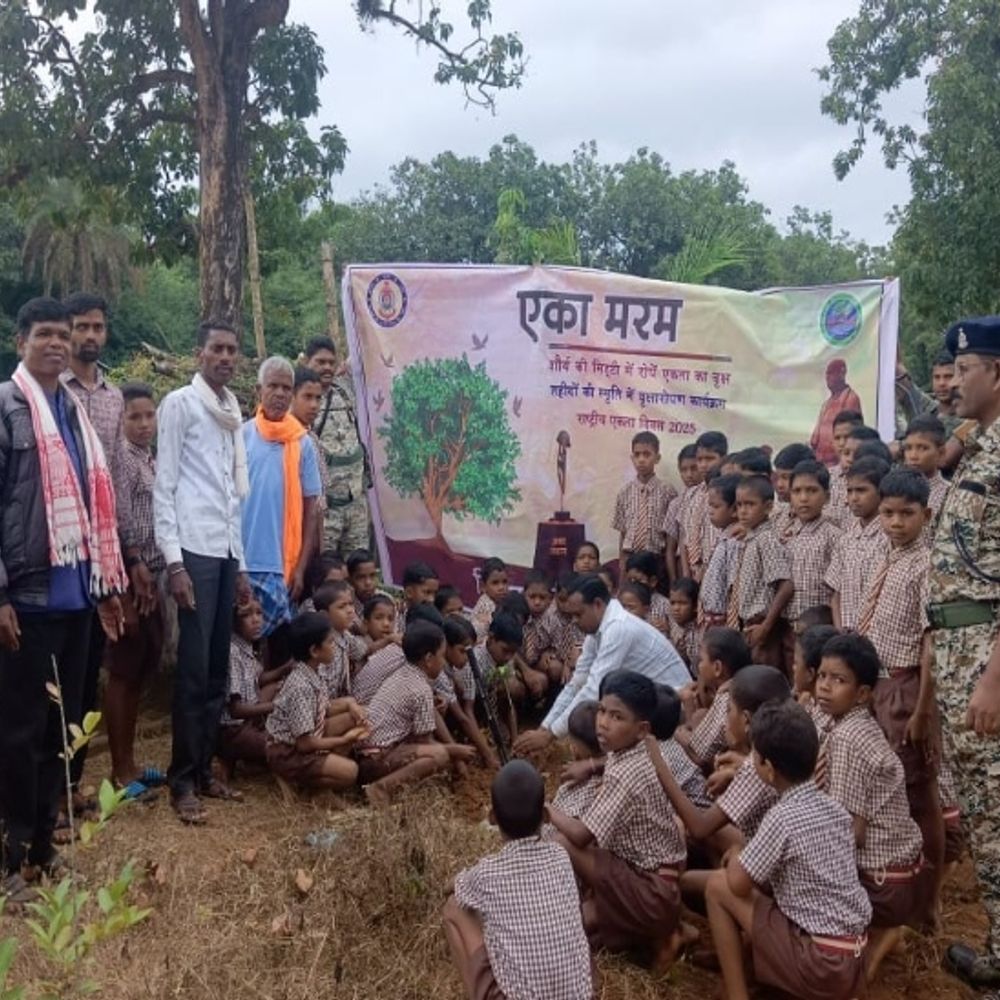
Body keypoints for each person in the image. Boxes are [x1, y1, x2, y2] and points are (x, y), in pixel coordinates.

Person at [0, 298, 126, 902]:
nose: (55, 342)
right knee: (19, 731)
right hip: (26, 598)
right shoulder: (7, 407)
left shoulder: (73, 411)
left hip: (77, 597)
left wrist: (104, 590)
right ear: (20, 340)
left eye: (62, 333)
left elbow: (90, 503)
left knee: (62, 729)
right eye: (43, 333)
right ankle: (10, 858)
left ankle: (46, 848)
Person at [705, 699, 871, 1000]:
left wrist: (738, 857)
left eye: (755, 757)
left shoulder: (782, 817)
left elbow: (738, 884)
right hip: (854, 957)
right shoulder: (834, 809)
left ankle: (736, 995)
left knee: (718, 887)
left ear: (767, 768)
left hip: (820, 963)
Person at [154, 319, 252, 825]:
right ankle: (182, 780)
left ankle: (206, 769)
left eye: (232, 350)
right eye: (217, 348)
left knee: (217, 669)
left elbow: (231, 500)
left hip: (223, 550)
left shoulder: (232, 408)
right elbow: (164, 486)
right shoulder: (180, 405)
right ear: (200, 353)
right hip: (191, 550)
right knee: (193, 673)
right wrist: (174, 563)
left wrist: (239, 566)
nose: (225, 357)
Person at [927, 316, 1000, 988]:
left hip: (986, 663)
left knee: (998, 818)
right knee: (983, 814)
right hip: (960, 651)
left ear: (997, 373)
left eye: (967, 369)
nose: (954, 381)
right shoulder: (980, 448)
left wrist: (994, 681)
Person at [546, 670, 688, 967]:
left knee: (564, 843)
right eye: (602, 711)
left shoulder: (625, 774)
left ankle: (659, 931)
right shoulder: (632, 750)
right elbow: (610, 762)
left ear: (641, 729)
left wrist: (545, 809)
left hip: (650, 892)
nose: (603, 722)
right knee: (589, 934)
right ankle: (664, 932)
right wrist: (592, 766)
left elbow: (583, 835)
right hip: (660, 881)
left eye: (617, 717)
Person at [815, 633, 934, 981]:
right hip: (904, 873)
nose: (825, 687)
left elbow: (852, 832)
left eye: (838, 680)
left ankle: (879, 934)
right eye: (822, 675)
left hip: (884, 883)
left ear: (864, 694)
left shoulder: (849, 738)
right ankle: (885, 930)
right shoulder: (855, 724)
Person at [59, 293, 139, 806]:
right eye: (81, 327)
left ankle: (74, 783)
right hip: (61, 548)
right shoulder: (51, 392)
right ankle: (50, 790)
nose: (90, 335)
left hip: (103, 551)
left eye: (98, 326)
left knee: (89, 667)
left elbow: (115, 475)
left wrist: (127, 556)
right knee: (58, 670)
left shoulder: (113, 398)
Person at [858, 467, 944, 890]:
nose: (895, 522)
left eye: (906, 514)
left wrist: (923, 709)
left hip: (906, 687)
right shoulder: (885, 554)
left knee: (918, 792)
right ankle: (897, 877)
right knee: (886, 783)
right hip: (876, 684)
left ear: (926, 515)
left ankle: (927, 893)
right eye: (888, 513)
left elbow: (930, 643)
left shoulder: (927, 565)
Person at [443, 760, 593, 1000]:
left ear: (492, 819)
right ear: (545, 816)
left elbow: (452, 888)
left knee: (453, 908)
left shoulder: (487, 873)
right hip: (578, 995)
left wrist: (457, 879)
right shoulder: (561, 857)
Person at [513, 575, 689, 755]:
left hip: (672, 711)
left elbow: (593, 691)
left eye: (578, 614)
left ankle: (600, 764)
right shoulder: (596, 631)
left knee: (597, 712)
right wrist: (544, 729)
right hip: (648, 704)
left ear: (597, 604)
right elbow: (576, 684)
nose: (574, 621)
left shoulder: (618, 628)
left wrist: (550, 734)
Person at [104, 382, 168, 795]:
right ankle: (120, 769)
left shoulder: (150, 457)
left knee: (145, 660)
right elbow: (118, 521)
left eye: (149, 415)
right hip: (131, 575)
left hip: (155, 574)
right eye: (135, 416)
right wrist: (131, 571)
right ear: (121, 419)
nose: (144, 424)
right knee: (123, 668)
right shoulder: (120, 460)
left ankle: (129, 762)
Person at [241, 357, 322, 656]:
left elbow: (310, 510)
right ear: (258, 390)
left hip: (282, 567)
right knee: (242, 647)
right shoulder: (242, 436)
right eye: (272, 386)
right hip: (245, 563)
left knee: (278, 648)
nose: (279, 394)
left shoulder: (303, 444)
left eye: (286, 388)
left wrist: (300, 568)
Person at [357, 620, 476, 806]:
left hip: (366, 753)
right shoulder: (421, 689)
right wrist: (454, 751)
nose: (444, 662)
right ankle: (381, 788)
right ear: (428, 659)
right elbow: (425, 742)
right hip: (377, 758)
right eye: (442, 656)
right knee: (439, 756)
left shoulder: (404, 672)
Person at [264, 612, 366, 792]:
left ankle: (319, 773)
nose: (334, 646)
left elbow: (325, 708)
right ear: (314, 651)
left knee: (355, 716)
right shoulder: (301, 687)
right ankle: (310, 786)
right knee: (351, 771)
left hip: (304, 738)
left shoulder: (312, 671)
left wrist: (351, 704)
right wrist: (343, 740)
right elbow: (304, 744)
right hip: (287, 751)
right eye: (330, 642)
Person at [304, 336, 369, 558]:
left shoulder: (345, 391)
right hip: (325, 513)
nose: (327, 367)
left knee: (360, 570)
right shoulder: (300, 400)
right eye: (320, 362)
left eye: (331, 362)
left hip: (356, 508)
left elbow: (364, 350)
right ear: (306, 362)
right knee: (328, 575)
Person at [729, 476, 794, 668]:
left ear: (767, 507)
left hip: (764, 624)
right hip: (749, 623)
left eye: (750, 504)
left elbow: (786, 585)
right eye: (739, 504)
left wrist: (766, 627)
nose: (743, 511)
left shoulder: (766, 539)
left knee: (763, 680)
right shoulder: (751, 539)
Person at [782, 461, 839, 664]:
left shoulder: (834, 536)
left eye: (811, 491)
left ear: (827, 495)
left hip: (818, 629)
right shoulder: (785, 533)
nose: (803, 498)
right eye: (797, 491)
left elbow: (836, 589)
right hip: (787, 625)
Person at [825, 456, 890, 631]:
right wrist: (840, 630)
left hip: (878, 635)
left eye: (861, 490)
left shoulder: (890, 538)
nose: (853, 498)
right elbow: (836, 593)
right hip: (847, 633)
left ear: (881, 492)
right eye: (849, 491)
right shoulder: (846, 539)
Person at [674, 627, 753, 768]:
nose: (699, 665)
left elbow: (700, 755)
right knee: (700, 715)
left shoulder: (727, 697)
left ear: (717, 668)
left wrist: (679, 733)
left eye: (702, 660)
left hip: (734, 765)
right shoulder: (747, 682)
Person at [612, 431, 675, 577]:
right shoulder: (624, 492)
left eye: (647, 454)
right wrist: (622, 562)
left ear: (657, 458)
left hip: (655, 558)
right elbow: (623, 531)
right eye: (637, 454)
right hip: (630, 557)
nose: (641, 460)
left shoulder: (668, 492)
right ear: (632, 457)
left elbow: (671, 534)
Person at [290, 366, 330, 553]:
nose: (314, 405)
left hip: (312, 535)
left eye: (318, 398)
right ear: (292, 396)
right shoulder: (289, 439)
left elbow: (319, 504)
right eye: (307, 397)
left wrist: (319, 548)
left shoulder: (311, 438)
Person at [681, 431, 728, 582]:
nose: (703, 465)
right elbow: (684, 537)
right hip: (694, 573)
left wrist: (708, 569)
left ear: (723, 459)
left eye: (710, 459)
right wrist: (687, 575)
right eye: (700, 459)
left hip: (719, 572)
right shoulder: (691, 495)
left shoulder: (729, 492)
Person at [698, 473, 741, 626]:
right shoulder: (724, 535)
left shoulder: (735, 541)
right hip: (712, 616)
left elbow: (733, 586)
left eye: (716, 506)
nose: (710, 511)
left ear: (735, 510)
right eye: (709, 505)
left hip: (725, 618)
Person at [810, 359, 864, 466]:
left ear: (842, 374)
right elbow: (814, 439)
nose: (827, 378)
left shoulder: (851, 398)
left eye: (831, 373)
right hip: (821, 464)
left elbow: (854, 436)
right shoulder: (826, 404)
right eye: (827, 374)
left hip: (841, 465)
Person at [663, 443, 701, 583]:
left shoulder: (712, 499)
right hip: (682, 567)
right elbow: (670, 549)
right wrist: (674, 581)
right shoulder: (676, 504)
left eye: (694, 468)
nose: (689, 475)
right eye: (684, 470)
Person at [902, 413, 950, 526]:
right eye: (908, 448)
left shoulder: (948, 495)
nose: (913, 456)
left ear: (941, 453)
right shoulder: (894, 490)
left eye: (923, 448)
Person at [770, 443, 815, 538]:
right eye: (777, 477)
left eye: (786, 477)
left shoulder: (823, 524)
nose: (779, 484)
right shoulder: (776, 518)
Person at [623, 550, 671, 633]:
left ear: (653, 581)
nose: (634, 585)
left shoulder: (665, 605)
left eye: (638, 580)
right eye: (630, 581)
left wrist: (668, 628)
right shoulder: (623, 603)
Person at [929, 349, 963, 438]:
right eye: (937, 377)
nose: (941, 383)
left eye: (948, 376)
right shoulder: (926, 409)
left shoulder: (972, 420)